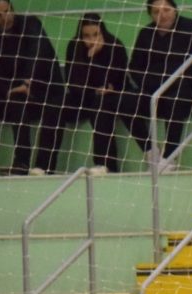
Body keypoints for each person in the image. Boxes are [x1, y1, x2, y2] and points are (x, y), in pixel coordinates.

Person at [0, 0, 66, 176]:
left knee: (52, 107)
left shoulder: (31, 23)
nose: (5, 17)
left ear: (12, 9)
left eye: (7, 11)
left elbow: (37, 53)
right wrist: (9, 90)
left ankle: (33, 164)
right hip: (16, 93)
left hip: (44, 90)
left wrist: (27, 82)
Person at [127, 0, 192, 169]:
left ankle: (170, 157)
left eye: (166, 10)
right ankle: (150, 151)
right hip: (157, 94)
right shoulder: (146, 34)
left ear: (175, 10)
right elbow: (135, 67)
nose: (162, 15)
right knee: (123, 101)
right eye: (156, 12)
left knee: (175, 99)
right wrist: (151, 84)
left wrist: (187, 79)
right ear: (150, 14)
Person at [62, 13, 131, 175]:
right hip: (83, 97)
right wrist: (89, 59)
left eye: (95, 34)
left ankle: (106, 164)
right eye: (86, 35)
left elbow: (116, 81)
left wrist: (96, 60)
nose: (91, 40)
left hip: (109, 98)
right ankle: (43, 166)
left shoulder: (114, 46)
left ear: (102, 32)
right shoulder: (74, 47)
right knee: (54, 106)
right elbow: (73, 82)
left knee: (100, 104)